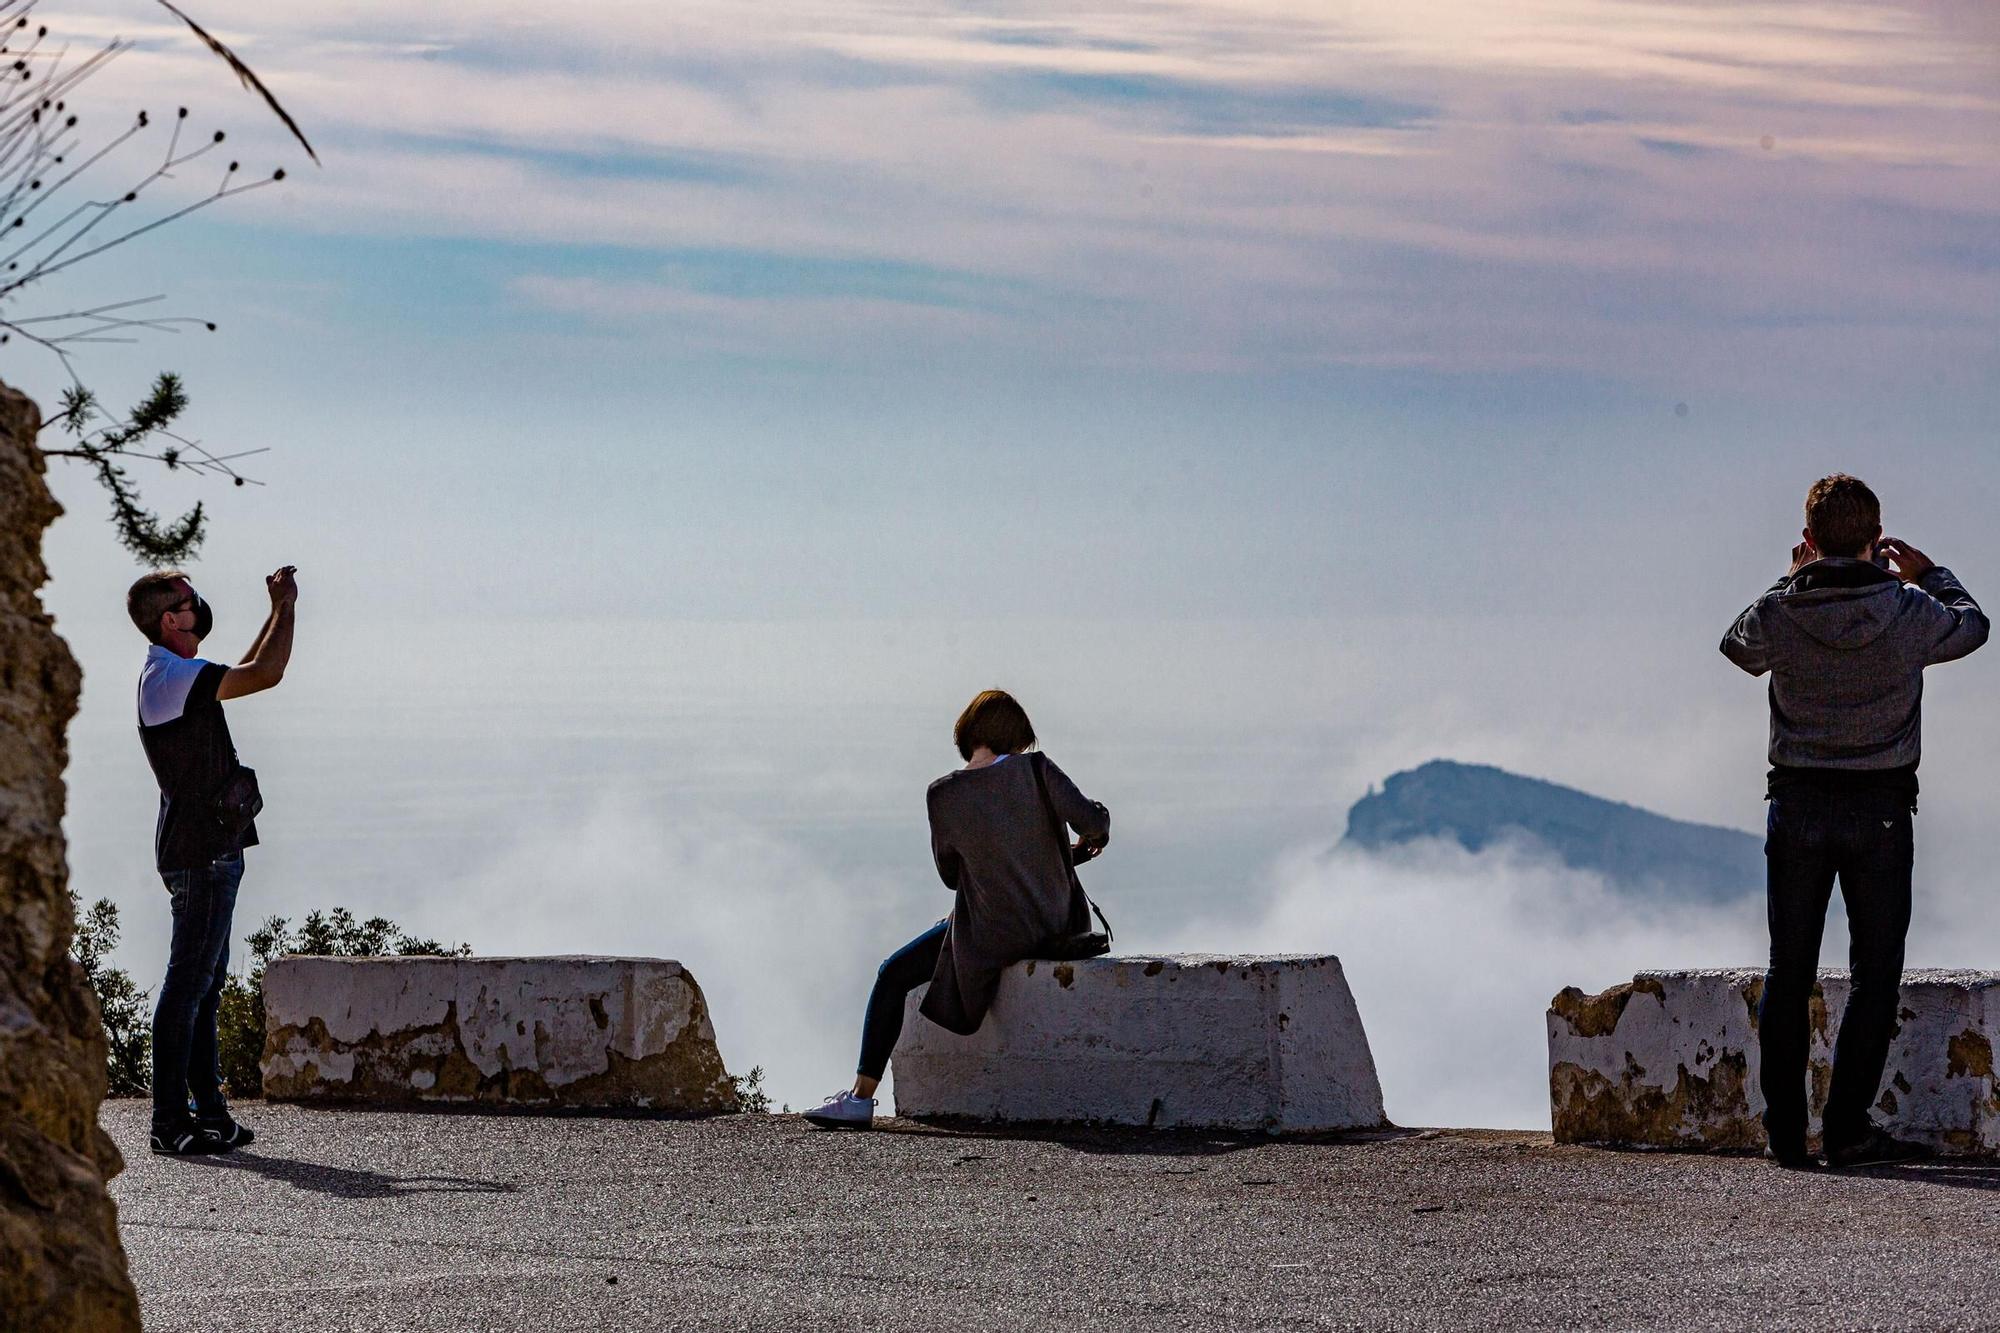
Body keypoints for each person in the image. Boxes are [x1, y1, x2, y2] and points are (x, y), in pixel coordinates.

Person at [1722, 475, 1986, 1170]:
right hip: (1882, 811)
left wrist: (1788, 582)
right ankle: (1846, 1129)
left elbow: (1736, 646)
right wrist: (1931, 573)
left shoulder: (1783, 613)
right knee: (1875, 972)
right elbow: (1975, 625)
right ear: (1877, 542)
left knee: (1790, 968)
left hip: (1799, 803)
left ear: (1808, 542)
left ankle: (1786, 1137)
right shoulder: (1907, 610)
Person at [804, 689, 1110, 1129]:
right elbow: (1092, 825)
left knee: (892, 974)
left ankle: (858, 1099)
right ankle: (857, 1099)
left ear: (968, 735)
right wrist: (1089, 837)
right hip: (1056, 927)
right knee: (933, 940)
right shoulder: (1038, 770)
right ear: (1016, 737)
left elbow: (954, 877)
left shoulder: (943, 794)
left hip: (991, 935)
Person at [128, 564, 298, 1156]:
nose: (200, 605)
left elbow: (245, 672)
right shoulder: (168, 677)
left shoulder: (176, 675)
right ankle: (169, 1121)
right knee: (188, 986)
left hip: (207, 850)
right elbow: (267, 674)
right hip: (200, 855)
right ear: (170, 619)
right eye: (189, 600)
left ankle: (212, 1116)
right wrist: (288, 605)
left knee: (205, 987)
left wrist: (273, 613)